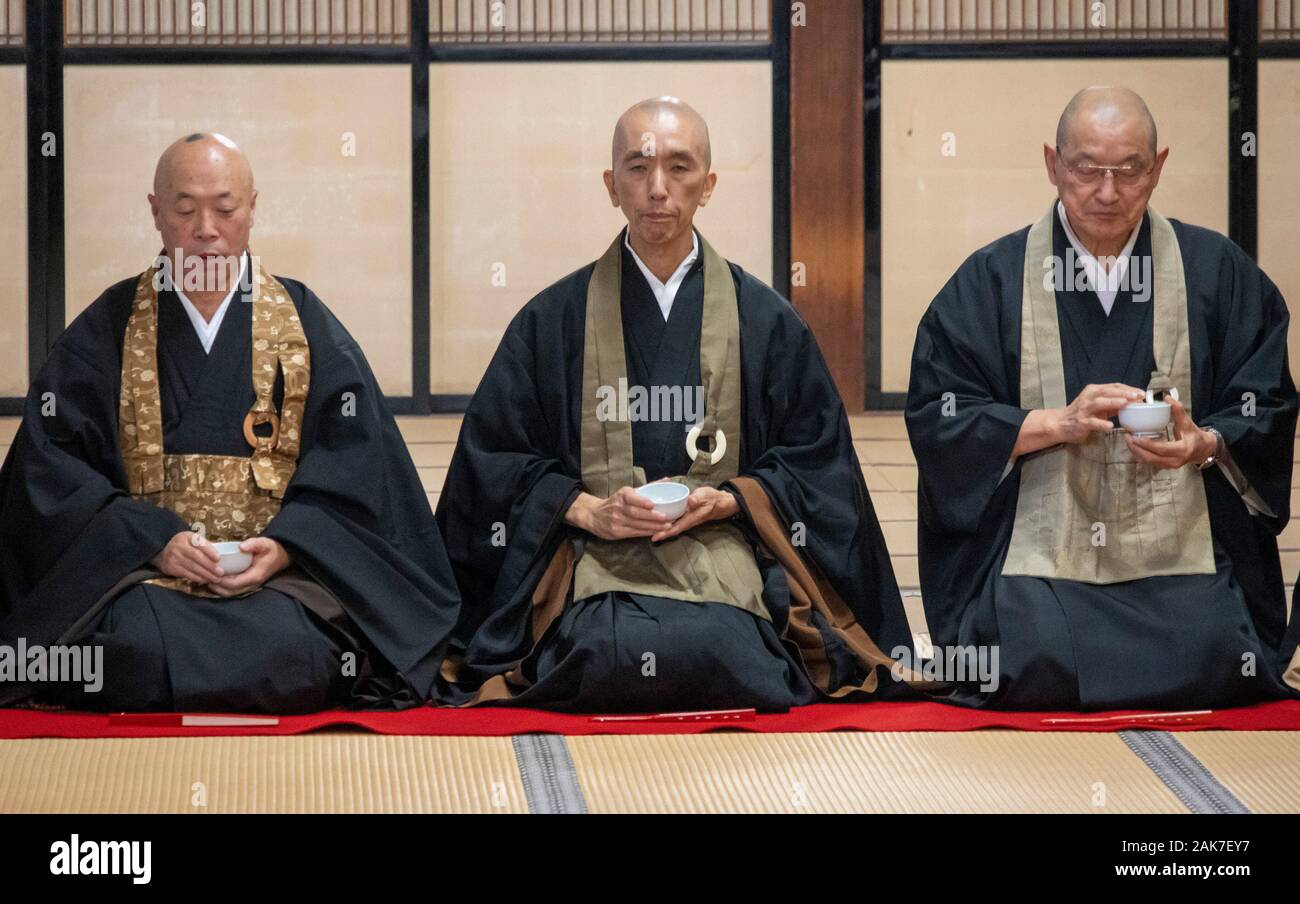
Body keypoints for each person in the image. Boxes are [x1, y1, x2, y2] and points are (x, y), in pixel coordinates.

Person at [435, 97, 927, 712]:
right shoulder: (551, 321)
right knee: (605, 650)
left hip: (724, 550)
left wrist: (736, 499)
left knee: (726, 650)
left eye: (680, 167)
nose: (658, 190)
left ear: (709, 185)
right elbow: (492, 460)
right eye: (637, 170)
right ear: (611, 185)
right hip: (592, 556)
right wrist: (582, 508)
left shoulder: (766, 321)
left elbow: (818, 463)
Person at [0, 133, 460, 712]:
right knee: (129, 648)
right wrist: (154, 541)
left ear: (252, 209)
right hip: (144, 582)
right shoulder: (108, 329)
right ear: (156, 213)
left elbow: (361, 471)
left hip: (277, 583)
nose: (206, 230)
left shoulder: (305, 325)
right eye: (186, 209)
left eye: (225, 208)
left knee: (301, 646)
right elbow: (52, 476)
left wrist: (289, 545)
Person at [905, 87, 1300, 710]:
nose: (1107, 191)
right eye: (1087, 168)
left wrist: (1207, 442)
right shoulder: (992, 279)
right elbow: (939, 413)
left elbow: (1268, 402)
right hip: (1040, 556)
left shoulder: (1216, 271)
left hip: (1181, 549)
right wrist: (1050, 424)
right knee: (1031, 657)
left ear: (1159, 166)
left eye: (1129, 170)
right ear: (1053, 163)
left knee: (1218, 653)